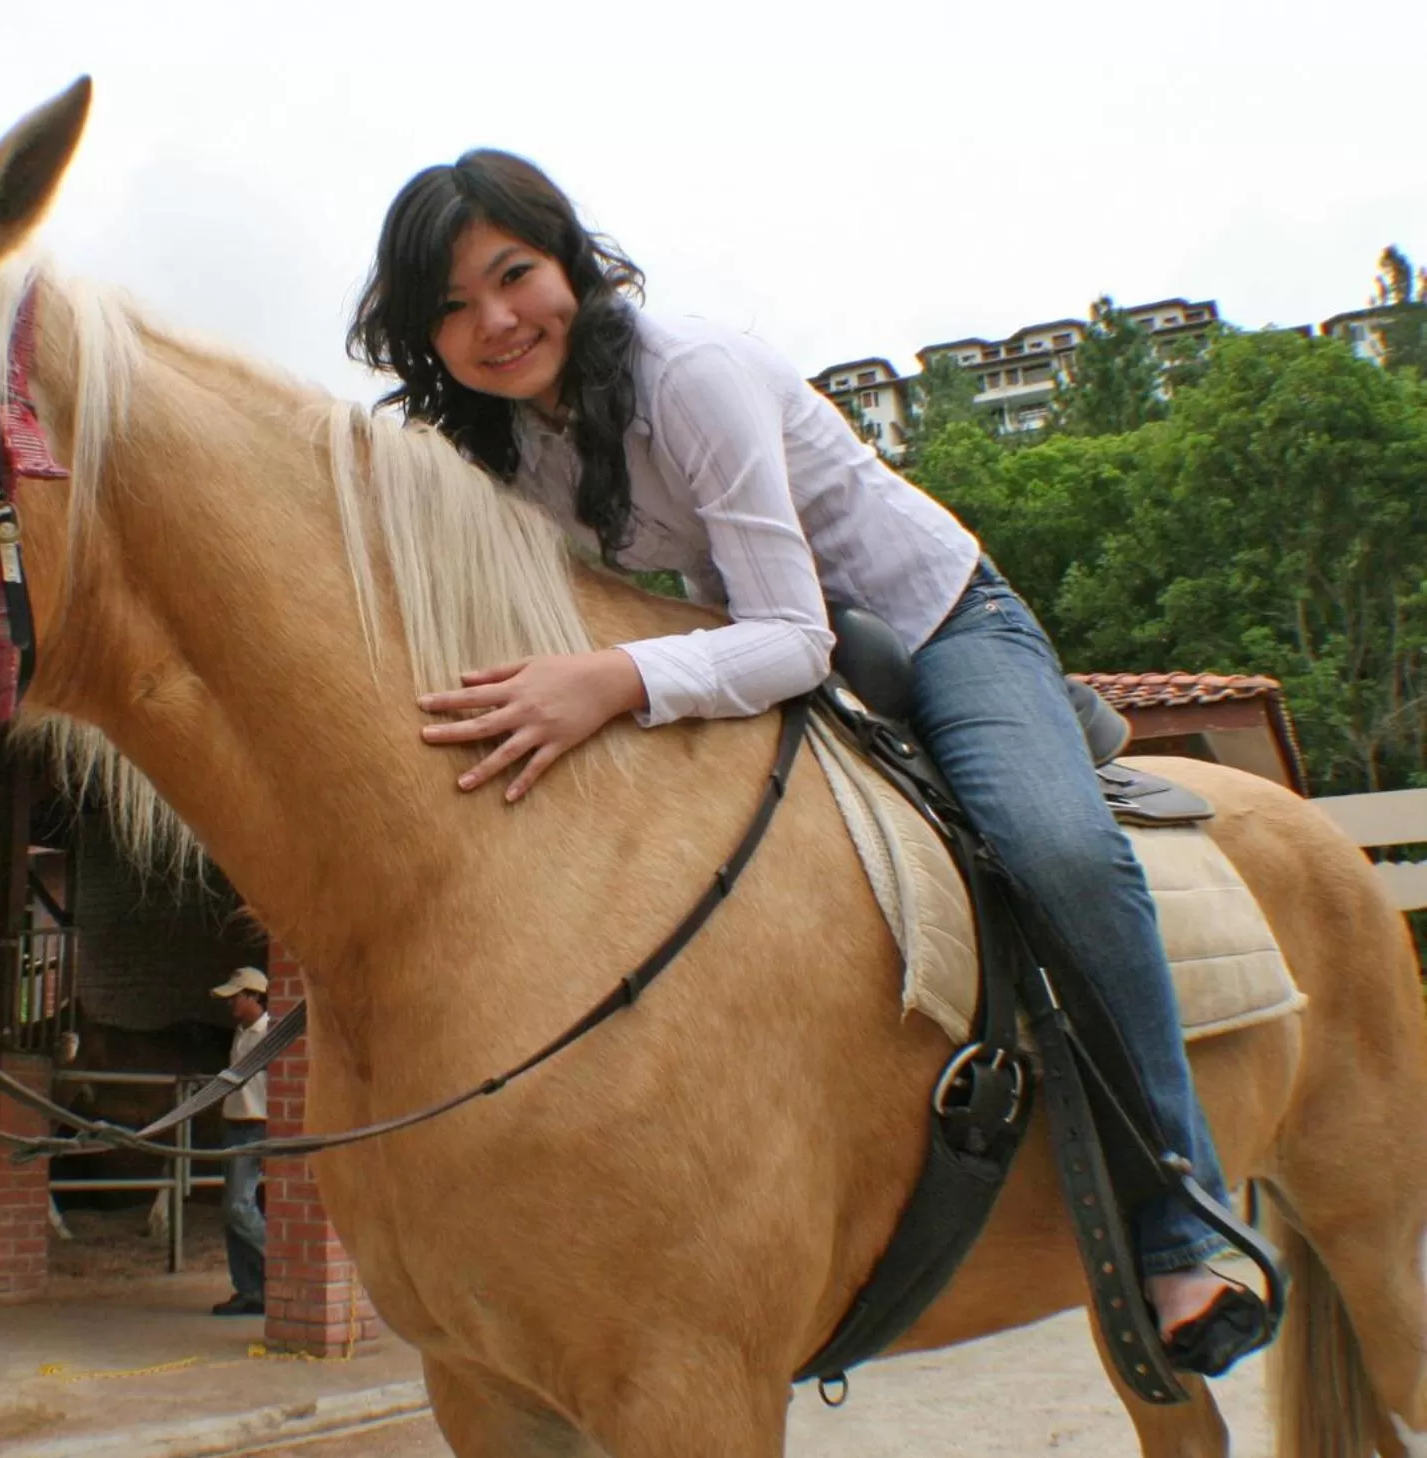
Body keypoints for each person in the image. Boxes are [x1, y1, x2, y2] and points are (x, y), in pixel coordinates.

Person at [346, 150, 1270, 1377]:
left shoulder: (693, 375)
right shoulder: (504, 445)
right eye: (450, 309)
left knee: (1053, 847)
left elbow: (790, 636)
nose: (494, 322)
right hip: (754, 649)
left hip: (931, 626)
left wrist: (611, 681)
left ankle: (1181, 1215)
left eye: (512, 275)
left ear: (568, 259)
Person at [210, 965, 272, 1317]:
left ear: (254, 997)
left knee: (239, 1205)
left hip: (254, 1125)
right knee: (231, 1210)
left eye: (237, 997)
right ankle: (250, 1289)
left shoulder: (270, 1034)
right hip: (235, 1122)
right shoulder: (241, 1033)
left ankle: (278, 1262)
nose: (231, 1003)